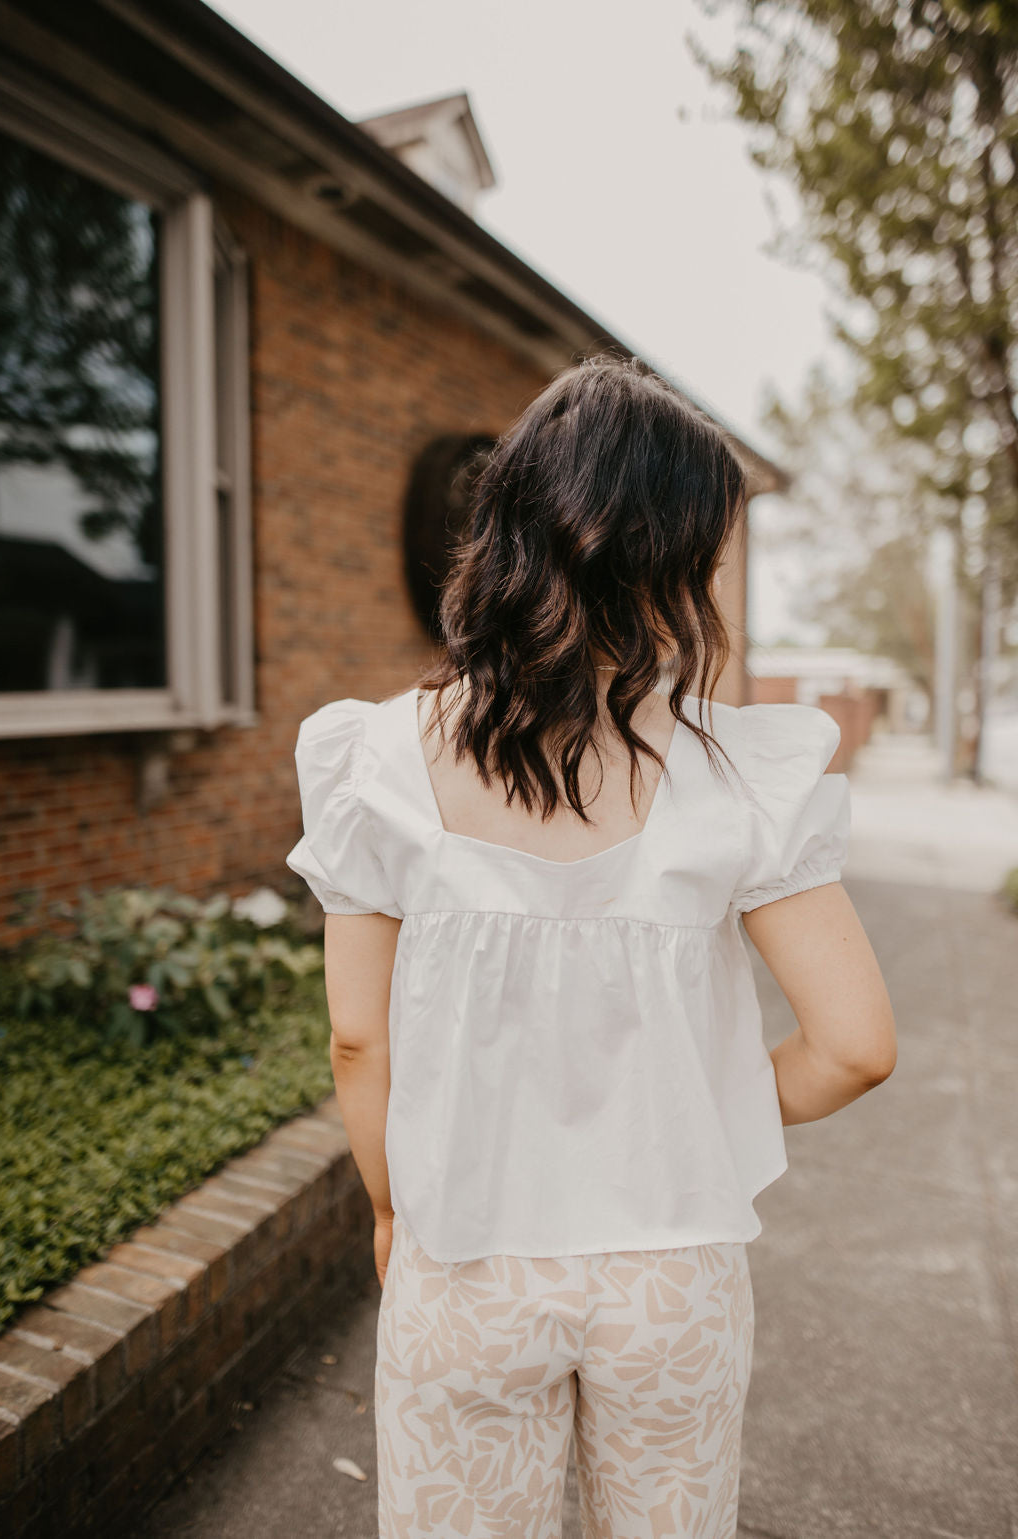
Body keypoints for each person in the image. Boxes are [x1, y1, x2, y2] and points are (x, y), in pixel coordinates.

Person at [286, 352, 897, 1539]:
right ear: (665, 562)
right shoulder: (741, 773)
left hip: (465, 1259)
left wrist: (390, 1213)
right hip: (674, 1279)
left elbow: (359, 1042)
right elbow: (855, 1048)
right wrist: (697, 1108)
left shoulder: (376, 761)